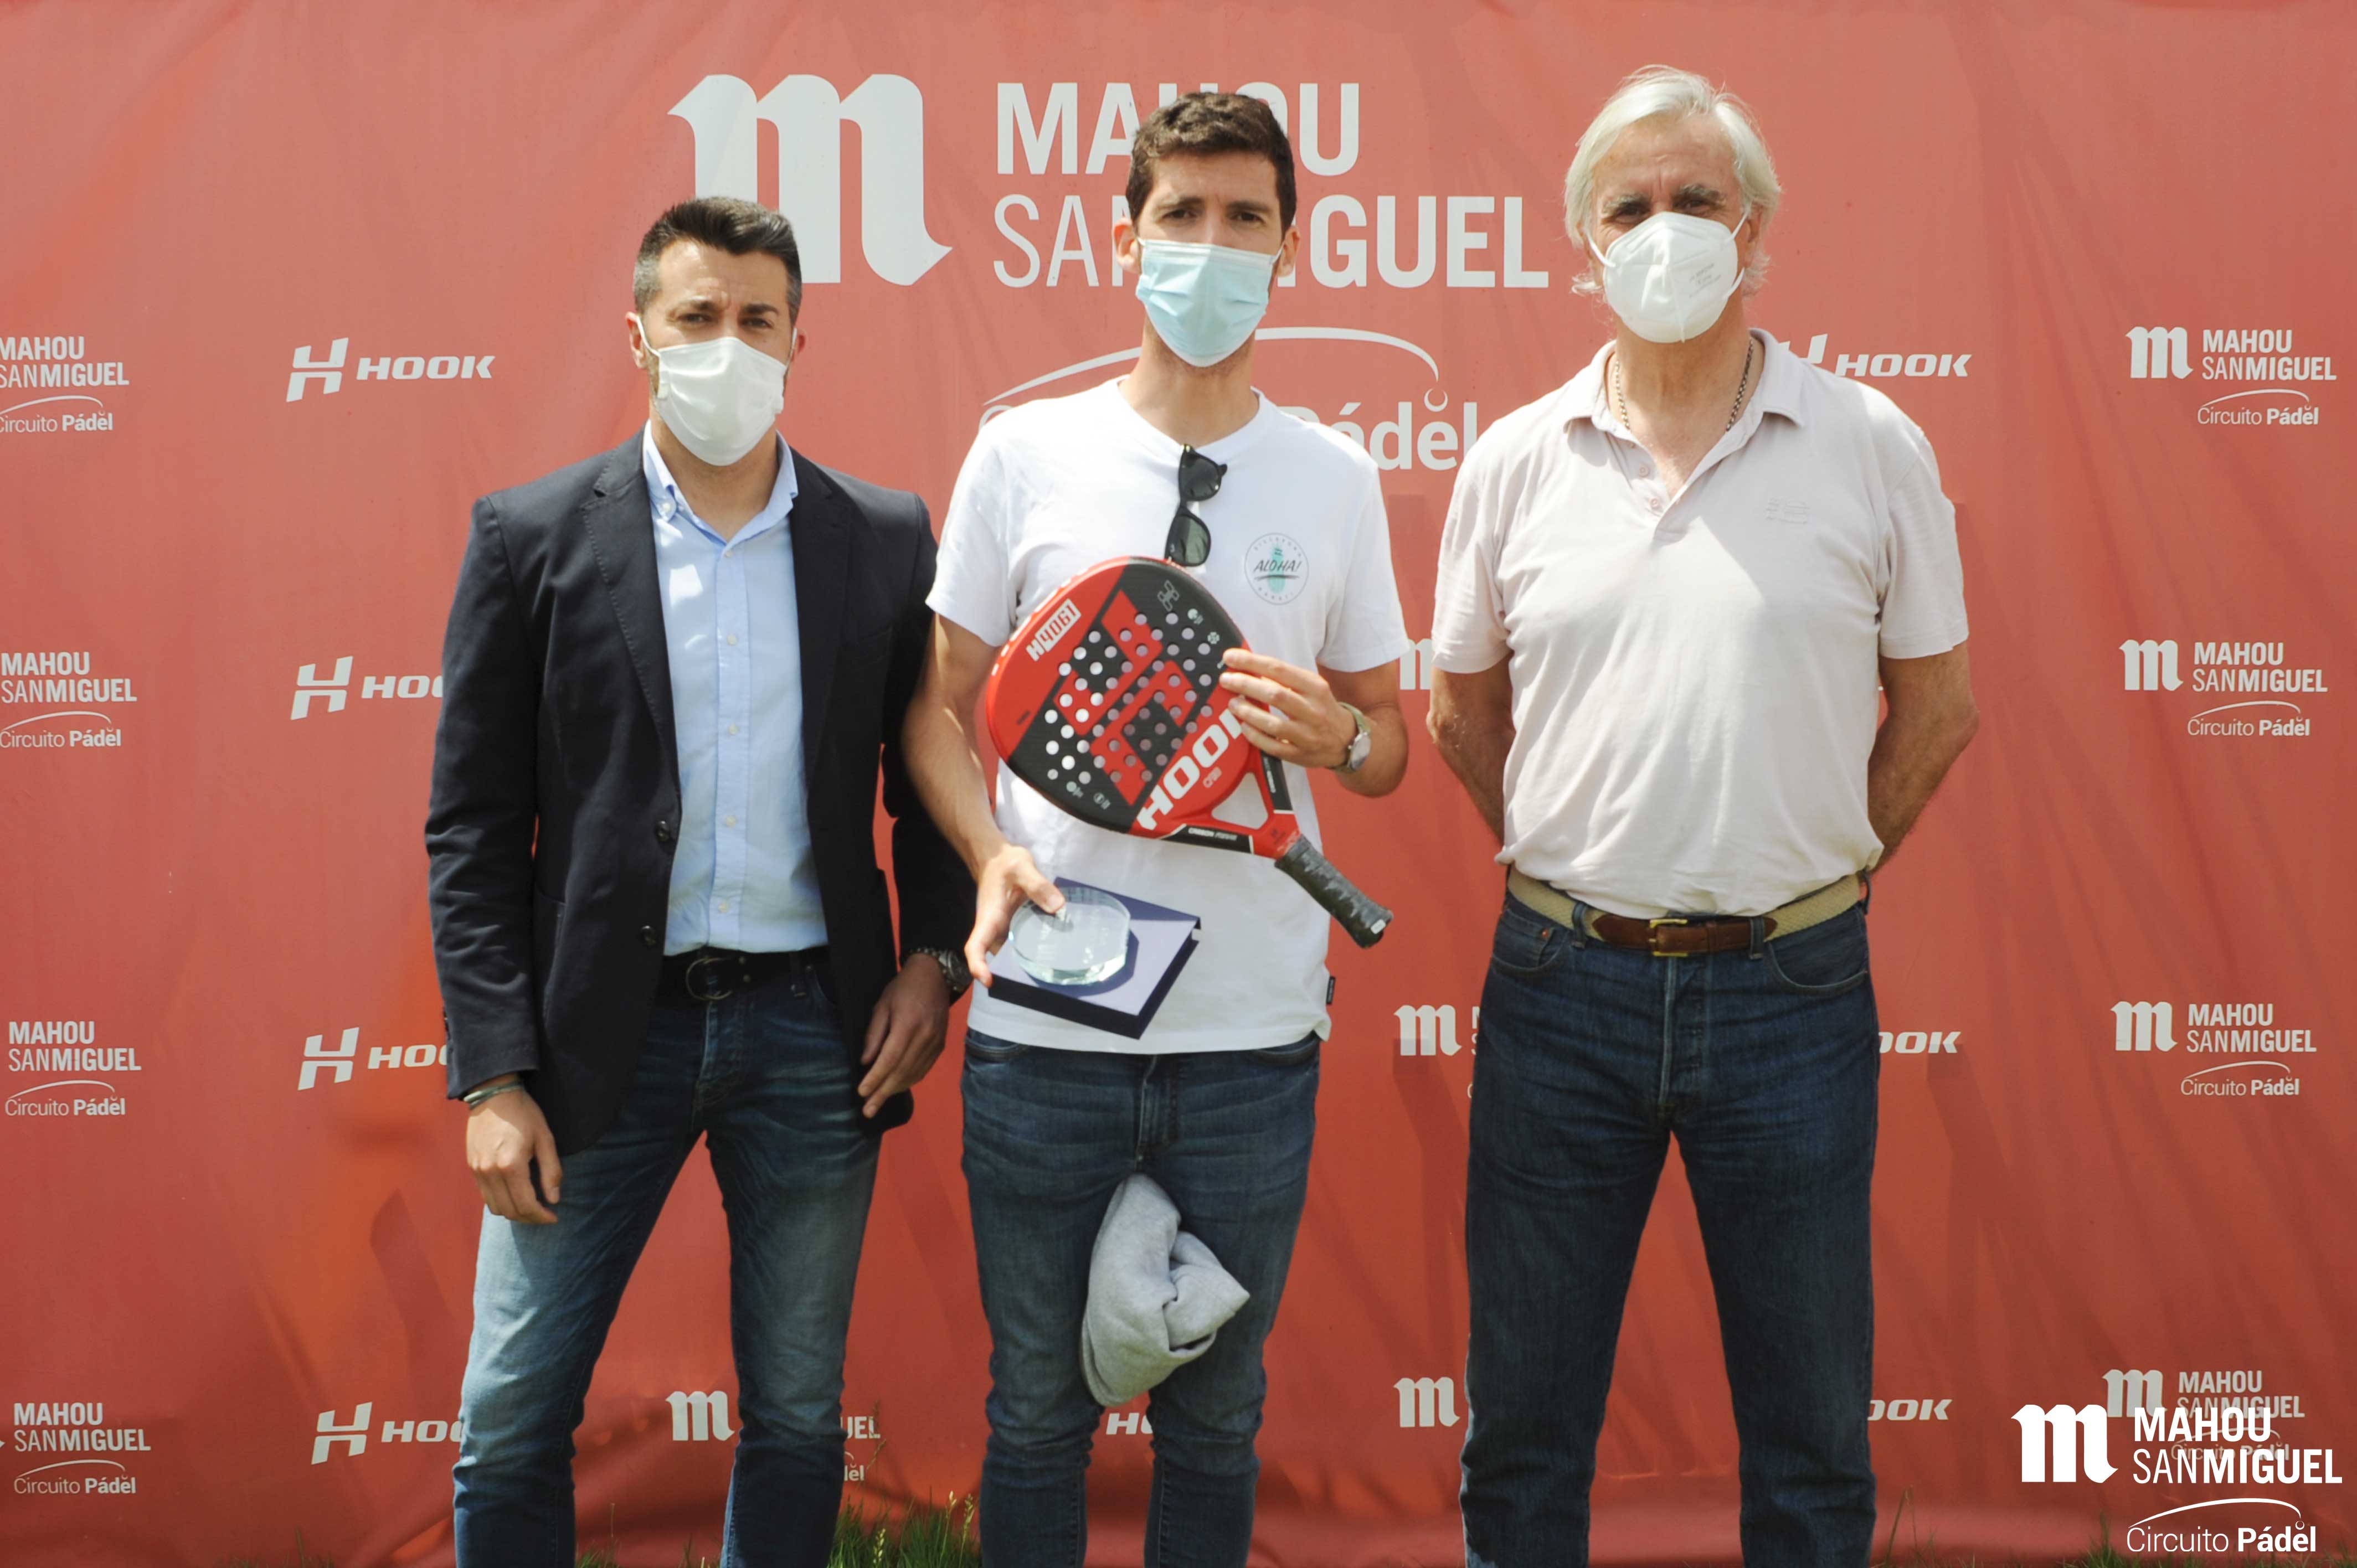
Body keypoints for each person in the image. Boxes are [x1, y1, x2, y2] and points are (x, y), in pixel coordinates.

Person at [1428, 66, 1980, 1567]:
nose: (1664, 228)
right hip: (1560, 991)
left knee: (1810, 1444)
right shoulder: (1513, 458)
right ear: (1585, 243)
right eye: (1631, 207)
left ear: (1756, 232)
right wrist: (1579, 849)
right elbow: (1461, 712)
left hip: (1793, 992)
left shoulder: (1869, 441)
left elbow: (1938, 708)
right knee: (1523, 1437)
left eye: (1697, 200)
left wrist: (1819, 866)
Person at [424, 195, 974, 1568]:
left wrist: (933, 961)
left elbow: (927, 778)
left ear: (797, 342)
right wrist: (493, 1078)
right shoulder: (531, 537)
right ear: (640, 336)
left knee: (794, 1416)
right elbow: (473, 829)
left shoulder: (883, 537)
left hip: (815, 1034)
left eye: (756, 319)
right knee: (510, 1419)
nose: (727, 343)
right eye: (696, 317)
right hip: (592, 1040)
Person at [903, 92, 1412, 1568]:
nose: (1210, 244)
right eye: (1179, 214)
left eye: (1244, 218)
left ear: (1290, 250)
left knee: (1216, 1423)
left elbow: (1385, 744)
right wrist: (991, 855)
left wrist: (1338, 738)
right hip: (1047, 1021)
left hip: (1252, 1035)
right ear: (1122, 240)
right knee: (1036, 1417)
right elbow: (936, 708)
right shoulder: (1024, 452)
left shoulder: (1336, 478)